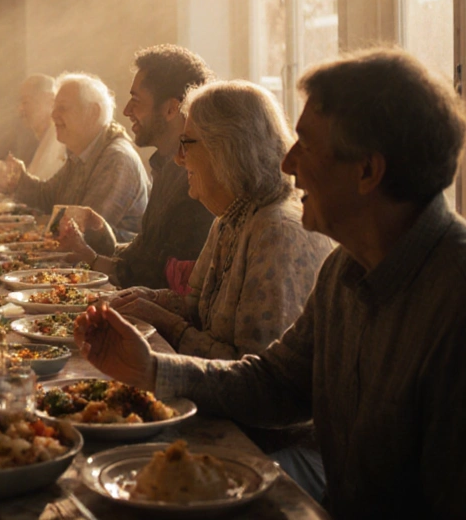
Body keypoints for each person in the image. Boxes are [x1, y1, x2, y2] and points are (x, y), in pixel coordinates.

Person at [74, 49, 466, 518]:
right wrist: (151, 369)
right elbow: (276, 383)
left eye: (306, 146)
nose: (288, 165)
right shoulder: (348, 267)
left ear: (367, 171)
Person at [107, 80, 332, 360]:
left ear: (227, 148)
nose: (178, 159)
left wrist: (164, 322)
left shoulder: (276, 232)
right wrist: (147, 299)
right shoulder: (232, 215)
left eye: (186, 144)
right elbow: (197, 305)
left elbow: (250, 373)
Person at [57, 46, 215, 290]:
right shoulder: (165, 165)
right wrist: (101, 235)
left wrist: (92, 257)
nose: (126, 110)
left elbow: (156, 278)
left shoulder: (194, 180)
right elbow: (145, 250)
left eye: (136, 100)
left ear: (172, 108)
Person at [0, 72, 148, 240]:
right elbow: (48, 197)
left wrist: (38, 236)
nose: (53, 114)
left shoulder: (116, 159)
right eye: (54, 107)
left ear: (93, 112)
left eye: (62, 107)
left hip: (113, 265)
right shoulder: (83, 152)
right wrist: (16, 181)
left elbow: (85, 230)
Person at [17, 74, 66, 180]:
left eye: (26, 102)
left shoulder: (60, 142)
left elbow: (43, 192)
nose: (20, 109)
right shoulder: (45, 135)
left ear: (50, 101)